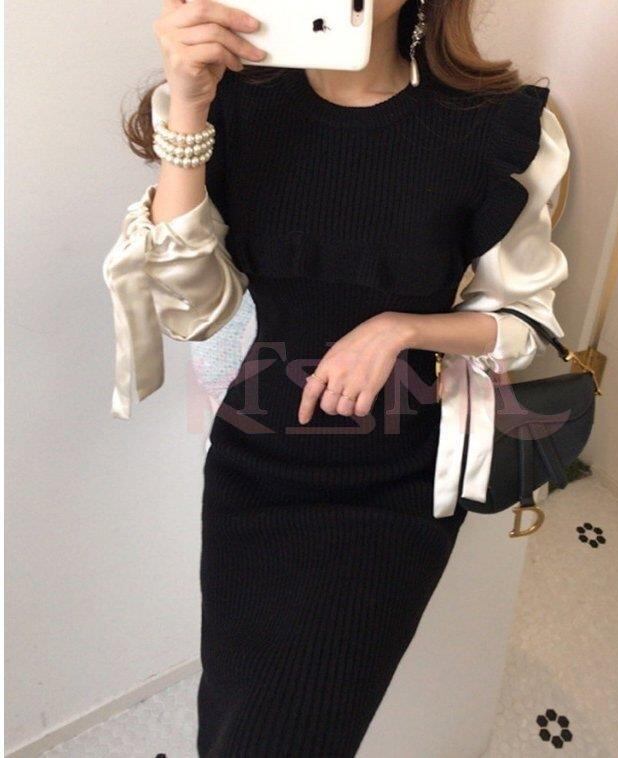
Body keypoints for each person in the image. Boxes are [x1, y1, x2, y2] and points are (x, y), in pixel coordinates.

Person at [102, 0, 570, 754]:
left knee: (301, 731)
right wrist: (188, 106)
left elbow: (526, 320)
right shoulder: (227, 103)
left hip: (395, 483)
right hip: (252, 462)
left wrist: (404, 328)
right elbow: (189, 310)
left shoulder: (495, 127)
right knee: (232, 705)